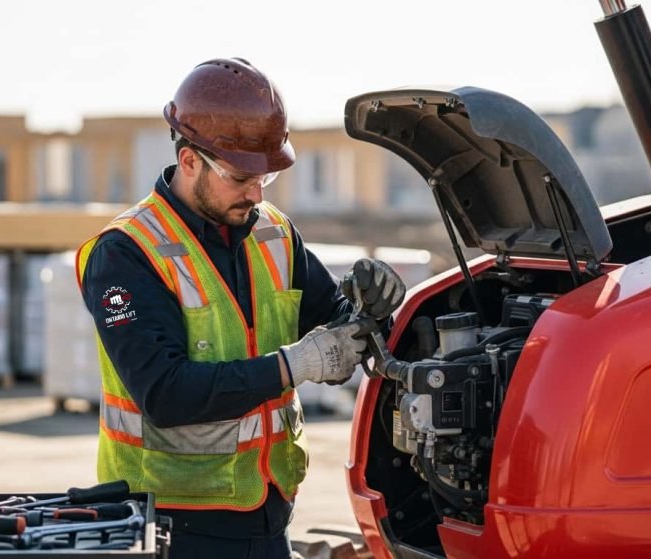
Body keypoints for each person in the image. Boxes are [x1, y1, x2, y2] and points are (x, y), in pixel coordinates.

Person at [76, 57, 406, 558]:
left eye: (266, 178)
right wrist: (298, 364)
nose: (255, 192)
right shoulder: (126, 253)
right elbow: (165, 395)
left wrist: (367, 308)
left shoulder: (272, 232)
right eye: (239, 177)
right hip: (173, 528)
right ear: (189, 160)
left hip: (269, 515)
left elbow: (334, 319)